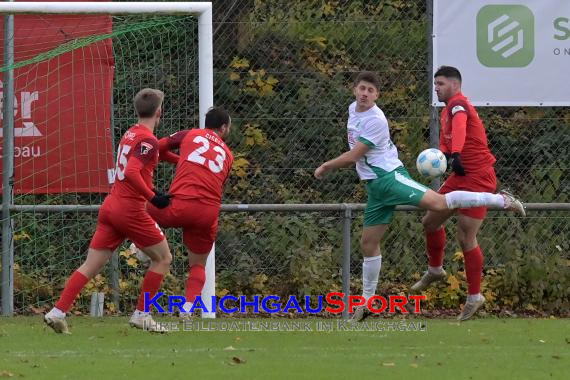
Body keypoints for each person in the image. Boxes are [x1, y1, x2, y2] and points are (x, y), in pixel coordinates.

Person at [314, 71, 525, 322]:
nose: (364, 94)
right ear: (354, 90)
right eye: (361, 88)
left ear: (377, 96)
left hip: (389, 178)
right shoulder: (353, 109)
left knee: (442, 208)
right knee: (369, 242)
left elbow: (353, 156)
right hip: (375, 187)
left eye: (370, 91)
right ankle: (369, 301)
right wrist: (449, 154)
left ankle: (501, 200)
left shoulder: (378, 119)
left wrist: (326, 165)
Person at [44, 88, 173, 334]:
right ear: (159, 112)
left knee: (90, 265)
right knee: (163, 258)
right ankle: (142, 314)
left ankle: (57, 312)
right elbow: (133, 171)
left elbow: (144, 160)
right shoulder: (148, 140)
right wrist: (153, 197)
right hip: (129, 210)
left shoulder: (131, 133)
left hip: (111, 206)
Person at [411, 66, 511, 321]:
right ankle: (435, 269)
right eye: (435, 83)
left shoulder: (458, 105)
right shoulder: (446, 110)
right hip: (460, 176)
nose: (436, 88)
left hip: (478, 176)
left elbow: (461, 125)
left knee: (466, 235)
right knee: (430, 221)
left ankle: (474, 296)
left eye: (441, 83)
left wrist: (455, 153)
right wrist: (443, 155)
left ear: (455, 85)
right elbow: (447, 139)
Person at [145, 106, 234, 319]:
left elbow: (157, 147)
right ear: (223, 128)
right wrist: (183, 161)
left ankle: (141, 244)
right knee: (198, 264)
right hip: (208, 213)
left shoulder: (191, 134)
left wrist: (178, 159)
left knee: (138, 205)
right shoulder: (229, 155)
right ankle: (187, 308)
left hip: (181, 205)